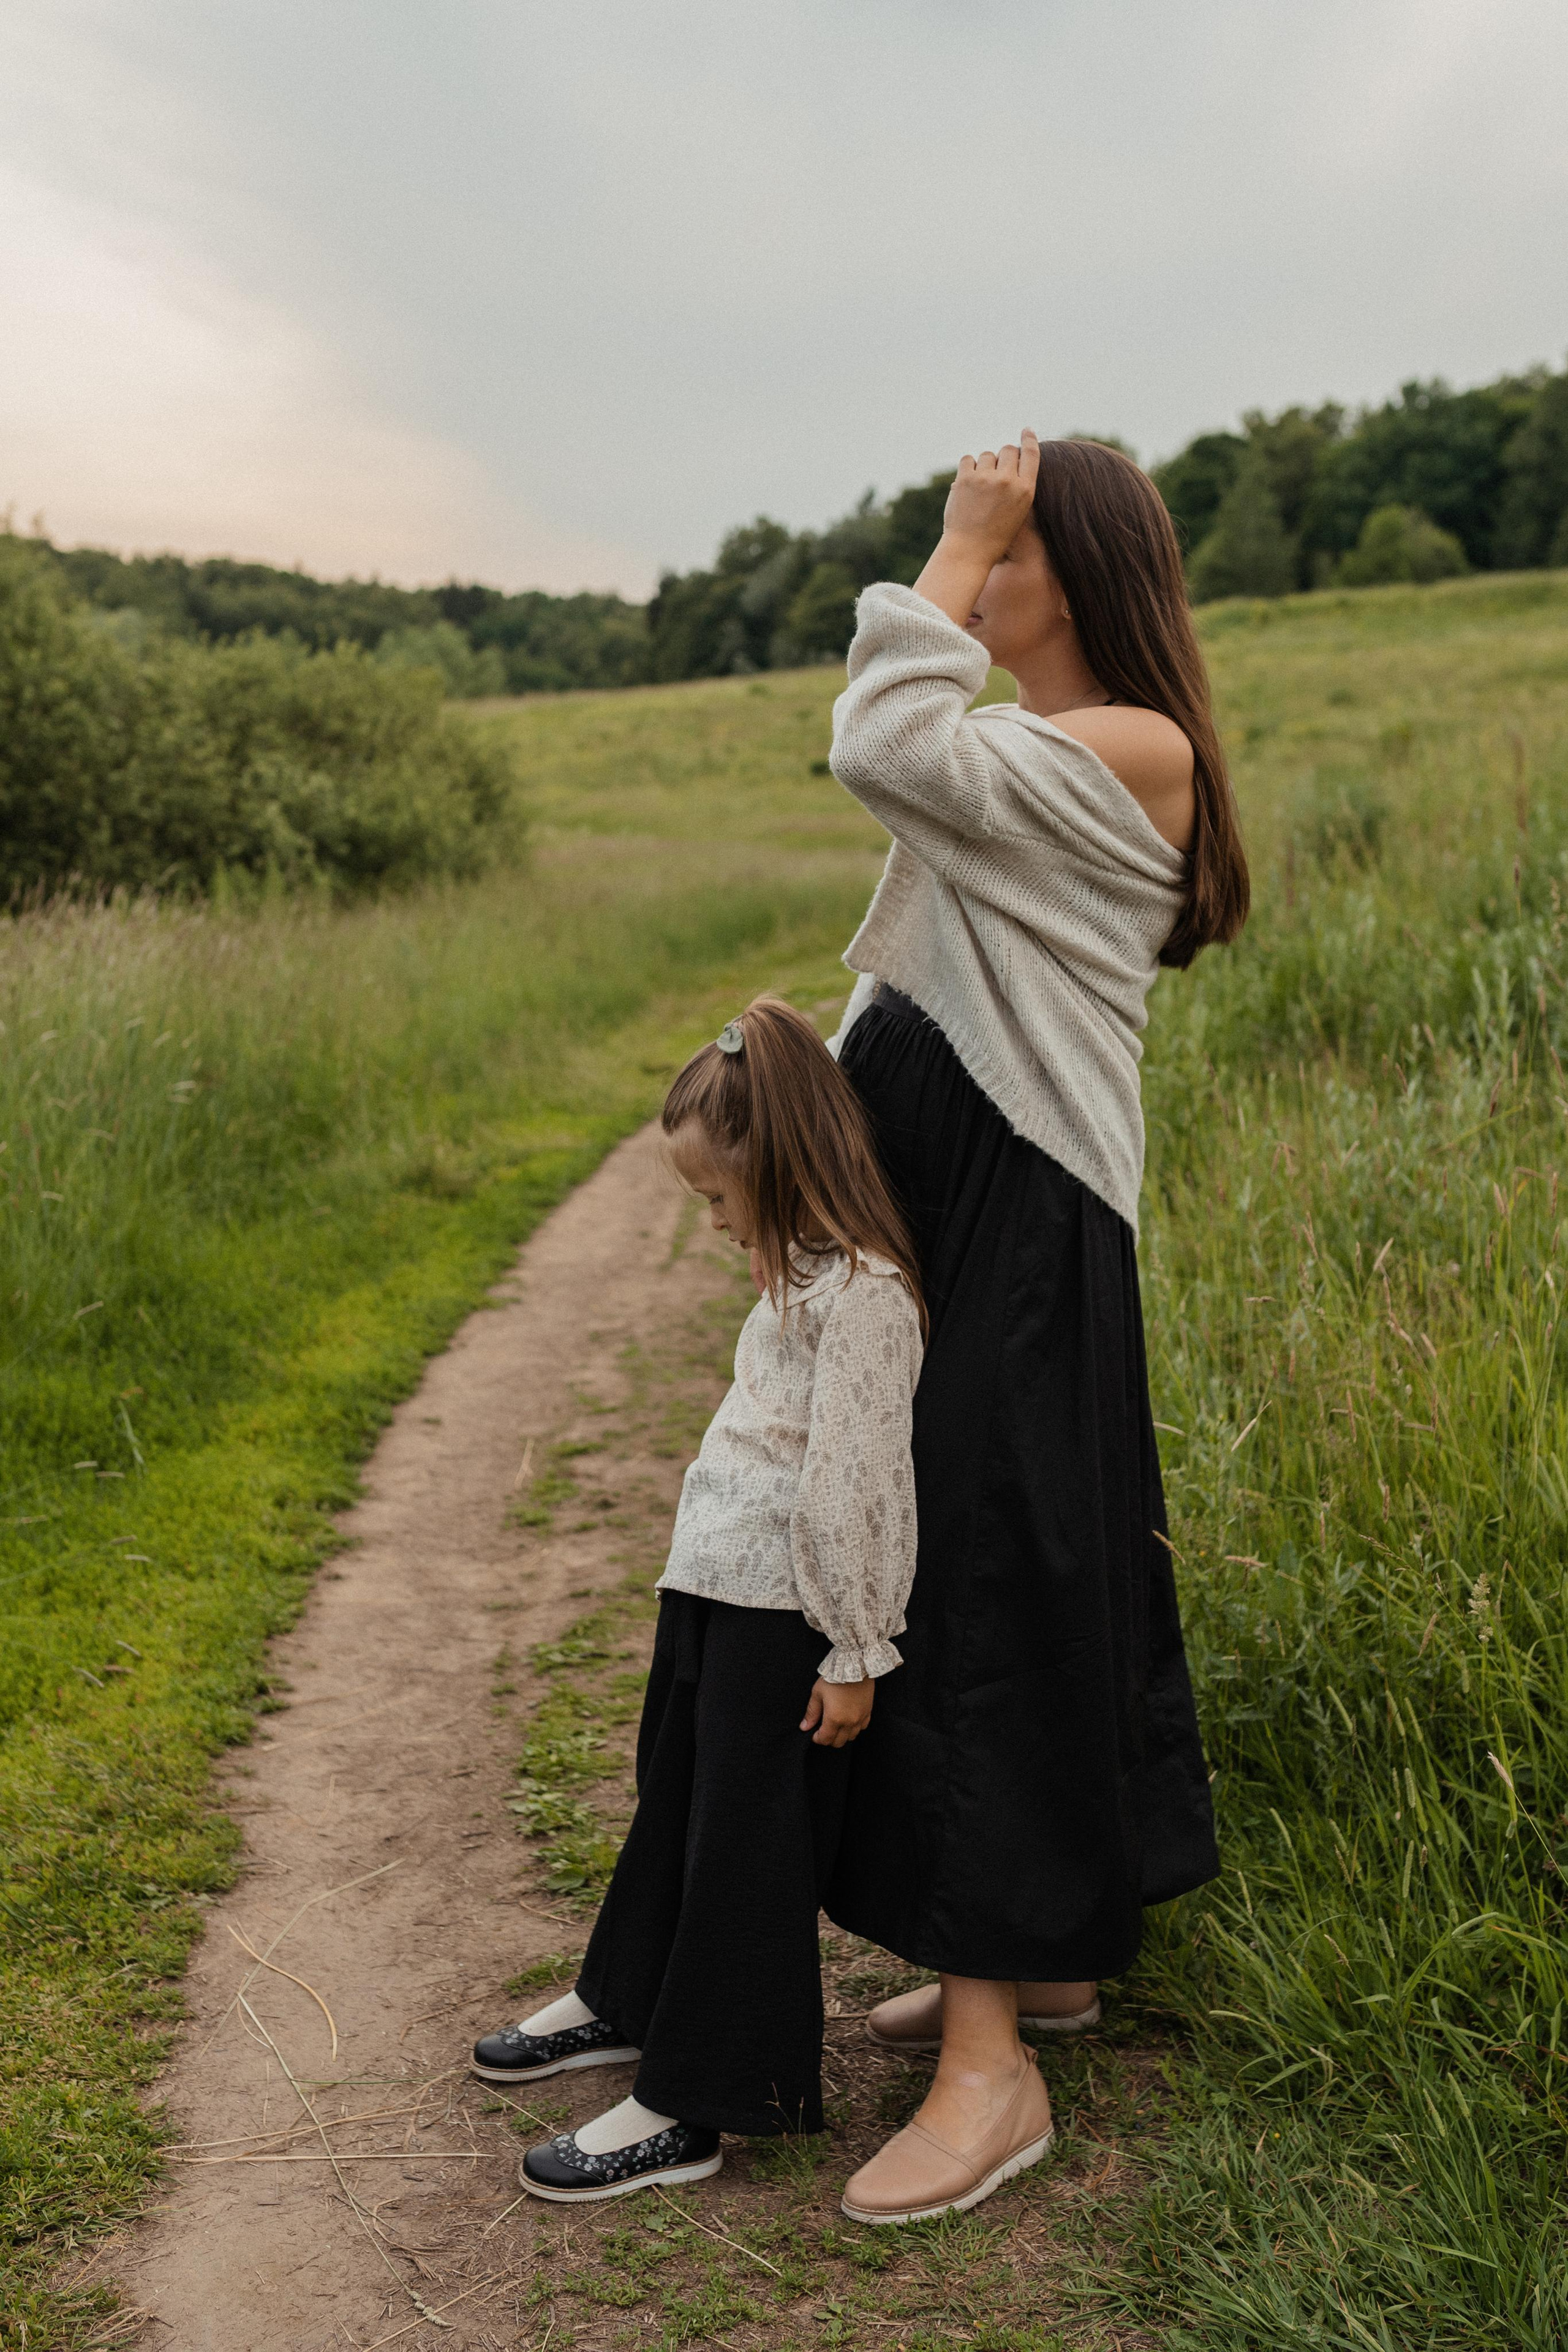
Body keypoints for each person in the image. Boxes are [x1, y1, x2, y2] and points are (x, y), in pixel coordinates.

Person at [822, 431, 1246, 2226]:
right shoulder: (1048, 757)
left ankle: (990, 2074)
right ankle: (1047, 1956)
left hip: (1025, 1223)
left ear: (1068, 566)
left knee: (977, 1596)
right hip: (975, 1215)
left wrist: (959, 527)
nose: (968, 574)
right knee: (1002, 1575)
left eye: (998, 548)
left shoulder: (1131, 749)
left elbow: (882, 742)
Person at [472, 996, 926, 2204]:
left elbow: (855, 1488)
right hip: (718, 1591)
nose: (715, 1225)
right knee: (673, 1800)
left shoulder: (864, 1299)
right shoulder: (801, 1274)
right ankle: (626, 1999)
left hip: (792, 1617)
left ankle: (696, 2101)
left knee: (744, 1850)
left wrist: (853, 1647)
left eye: (720, 1201)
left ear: (782, 1171)